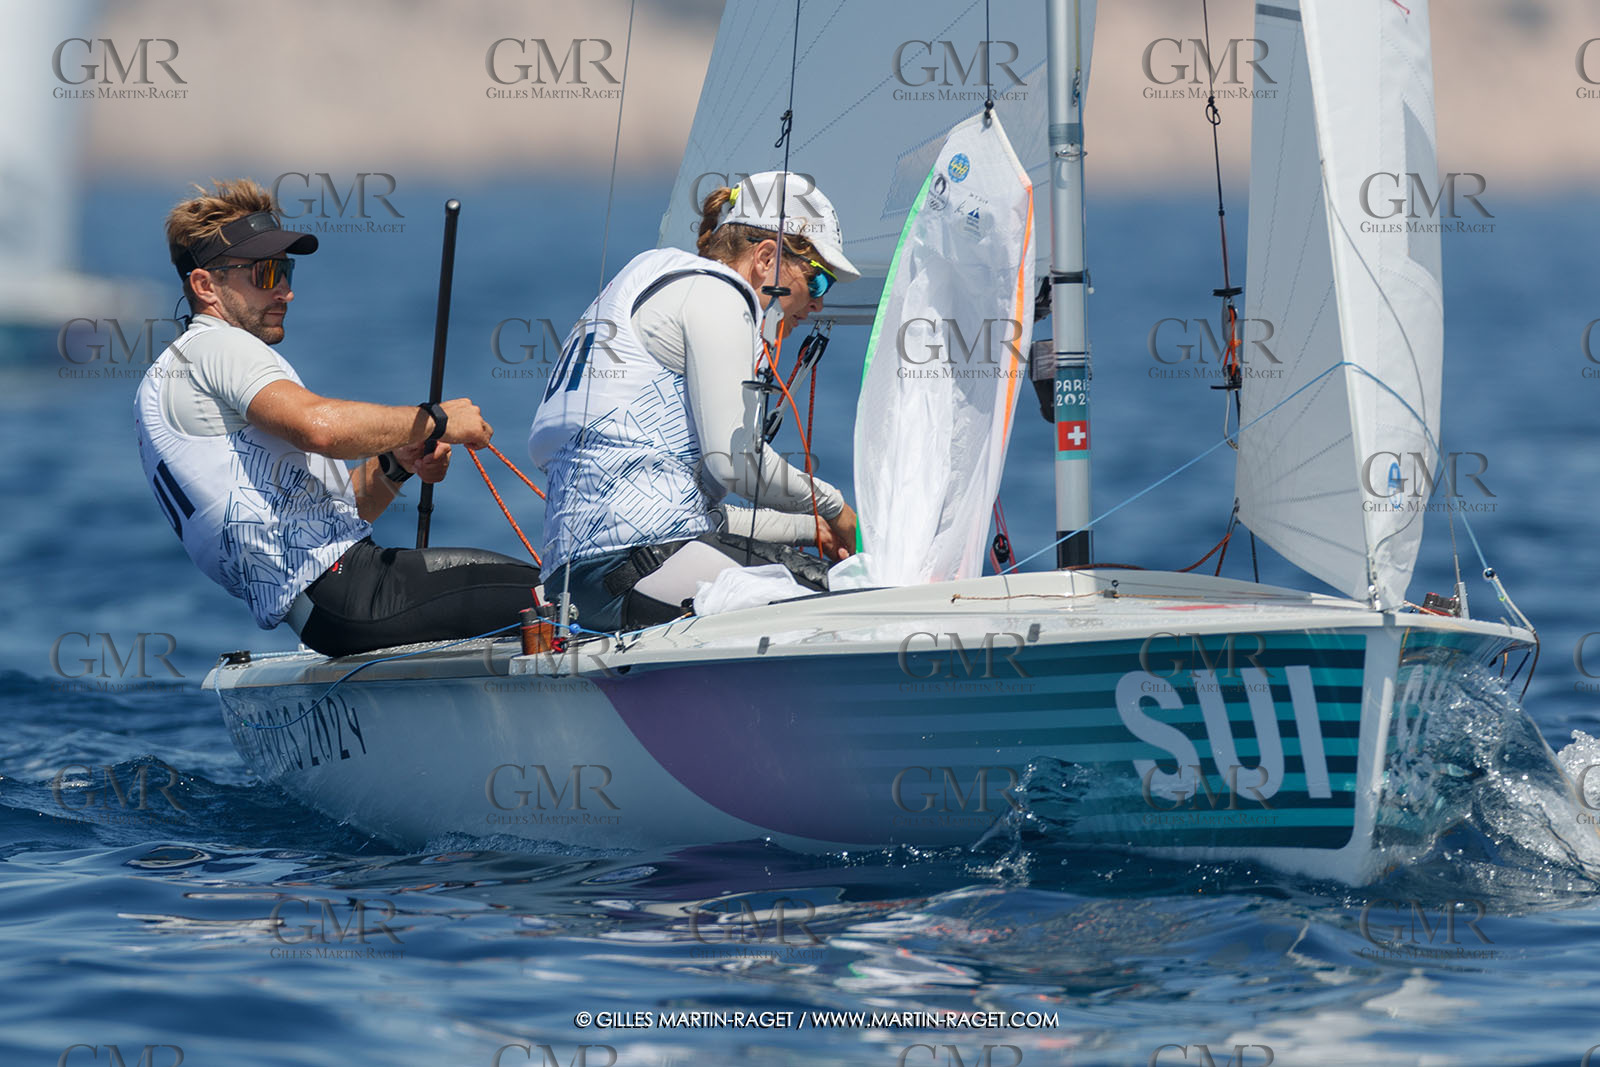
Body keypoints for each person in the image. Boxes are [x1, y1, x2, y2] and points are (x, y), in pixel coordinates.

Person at [136, 178, 542, 657]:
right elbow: (320, 429)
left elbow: (320, 517)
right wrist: (435, 420)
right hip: (351, 593)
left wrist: (396, 463)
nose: (285, 291)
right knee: (564, 596)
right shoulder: (217, 346)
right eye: (265, 274)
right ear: (206, 285)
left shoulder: (170, 375)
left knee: (540, 602)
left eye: (285, 271)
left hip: (325, 614)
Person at [529, 170, 859, 631]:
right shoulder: (716, 293)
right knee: (859, 600)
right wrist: (834, 507)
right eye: (818, 280)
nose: (820, 302)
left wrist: (809, 529)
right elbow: (734, 464)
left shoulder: (656, 284)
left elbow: (697, 516)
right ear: (766, 258)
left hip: (581, 584)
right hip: (636, 569)